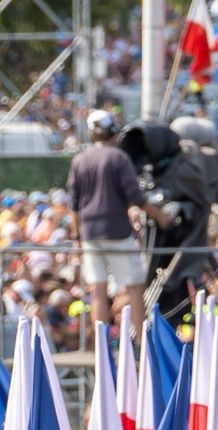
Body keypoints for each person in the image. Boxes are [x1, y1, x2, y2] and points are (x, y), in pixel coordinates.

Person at [66, 109, 145, 336]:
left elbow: (74, 205)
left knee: (97, 288)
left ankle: (101, 344)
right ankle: (143, 342)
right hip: (118, 231)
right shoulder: (118, 158)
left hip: (90, 233)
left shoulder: (79, 160)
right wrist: (161, 216)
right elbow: (135, 196)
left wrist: (76, 237)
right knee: (135, 286)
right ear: (113, 132)